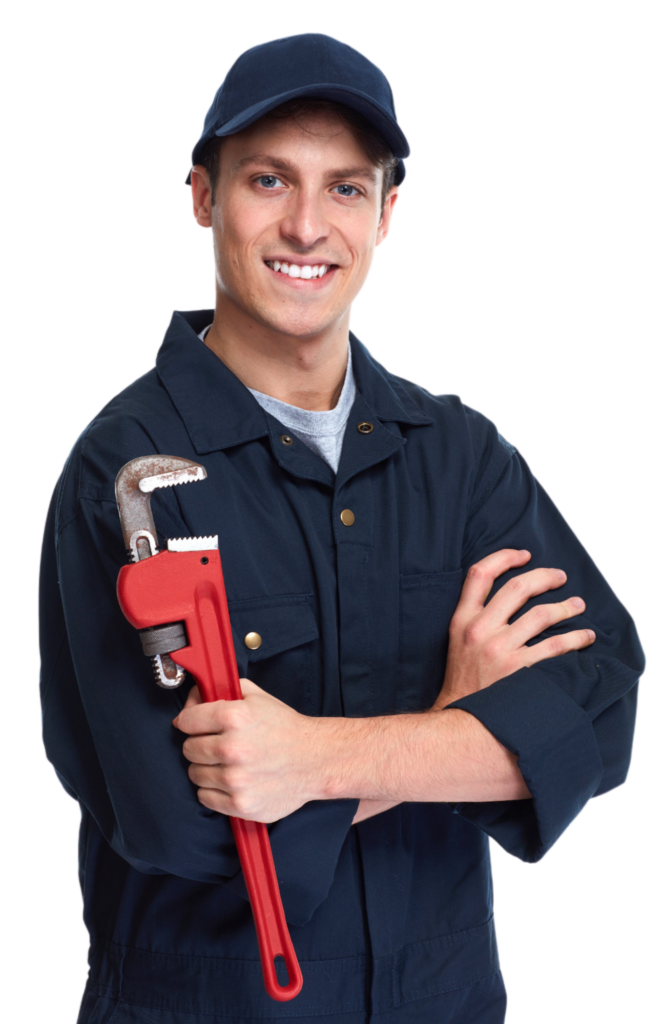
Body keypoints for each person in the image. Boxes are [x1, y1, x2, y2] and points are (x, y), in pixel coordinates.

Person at [38, 32, 645, 1024]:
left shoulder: (460, 455)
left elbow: (602, 720)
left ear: (388, 214)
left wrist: (321, 760)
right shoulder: (120, 471)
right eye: (269, 180)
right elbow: (178, 824)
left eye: (347, 188)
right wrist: (462, 733)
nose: (308, 226)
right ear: (202, 197)